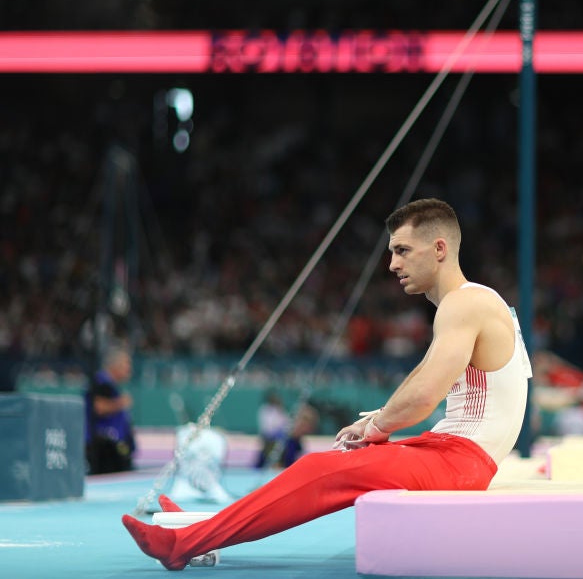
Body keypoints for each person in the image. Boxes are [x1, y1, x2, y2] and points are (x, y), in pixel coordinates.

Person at [121, 198, 533, 570]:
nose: (392, 264)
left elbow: (424, 395)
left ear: (440, 249)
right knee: (332, 458)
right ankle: (207, 525)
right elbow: (422, 378)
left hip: (461, 461)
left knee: (322, 467)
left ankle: (184, 543)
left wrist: (376, 428)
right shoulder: (469, 303)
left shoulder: (465, 304)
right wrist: (375, 420)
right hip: (451, 450)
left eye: (402, 250)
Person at [85, 344, 136, 474]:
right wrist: (120, 403)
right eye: (126, 364)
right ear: (115, 365)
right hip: (105, 451)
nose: (129, 369)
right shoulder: (102, 382)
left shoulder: (110, 385)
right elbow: (98, 407)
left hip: (112, 448)